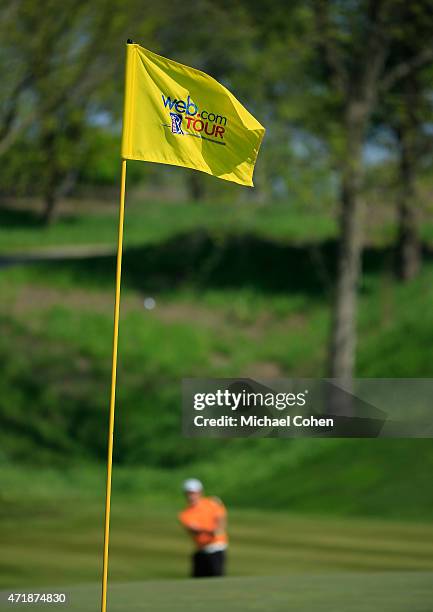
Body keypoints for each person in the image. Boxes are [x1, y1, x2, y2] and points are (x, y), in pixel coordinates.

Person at [178, 478, 228, 578]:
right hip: (201, 550)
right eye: (188, 493)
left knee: (217, 580)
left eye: (193, 493)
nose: (191, 496)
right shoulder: (185, 514)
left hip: (216, 549)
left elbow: (220, 523)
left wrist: (209, 530)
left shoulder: (212, 503)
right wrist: (211, 530)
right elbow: (195, 531)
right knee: (197, 582)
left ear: (200, 492)